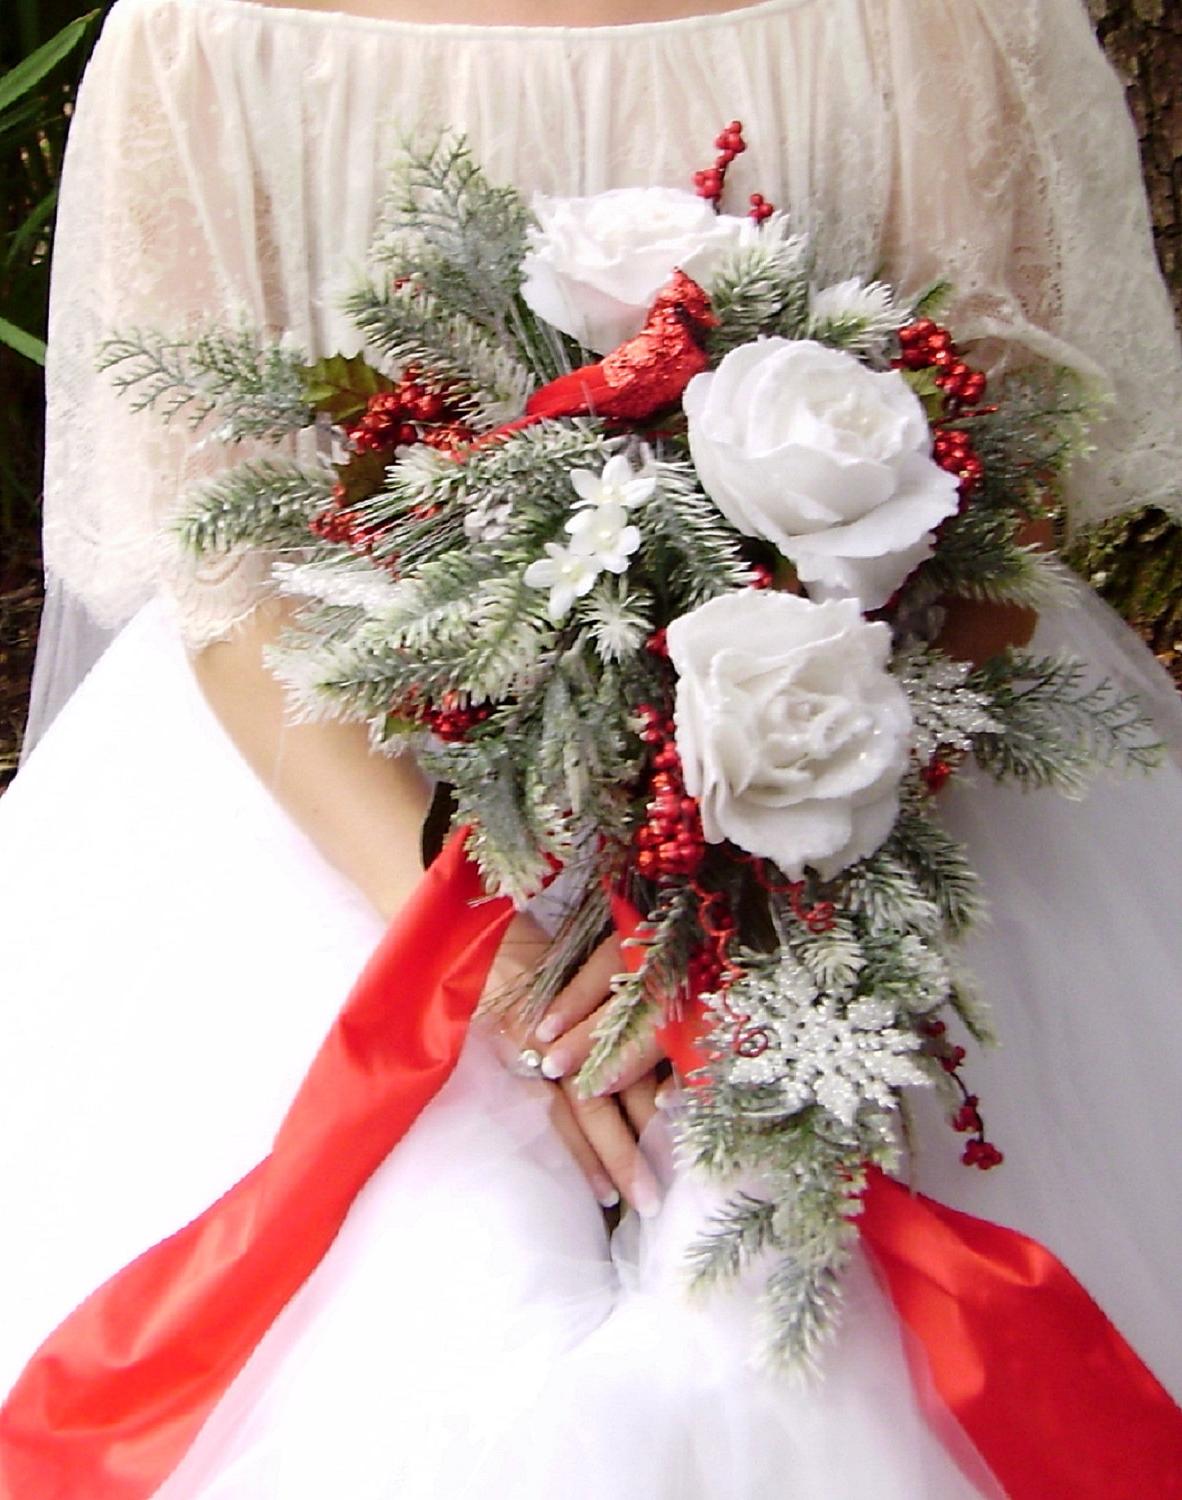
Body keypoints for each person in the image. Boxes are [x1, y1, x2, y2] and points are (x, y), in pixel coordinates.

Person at [1, 0, 1181, 1494]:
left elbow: (1009, 502)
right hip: (336, 807)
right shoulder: (204, 37)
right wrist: (500, 964)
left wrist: (726, 908)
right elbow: (226, 580)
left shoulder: (942, 20)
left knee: (784, 1326)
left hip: (866, 785)